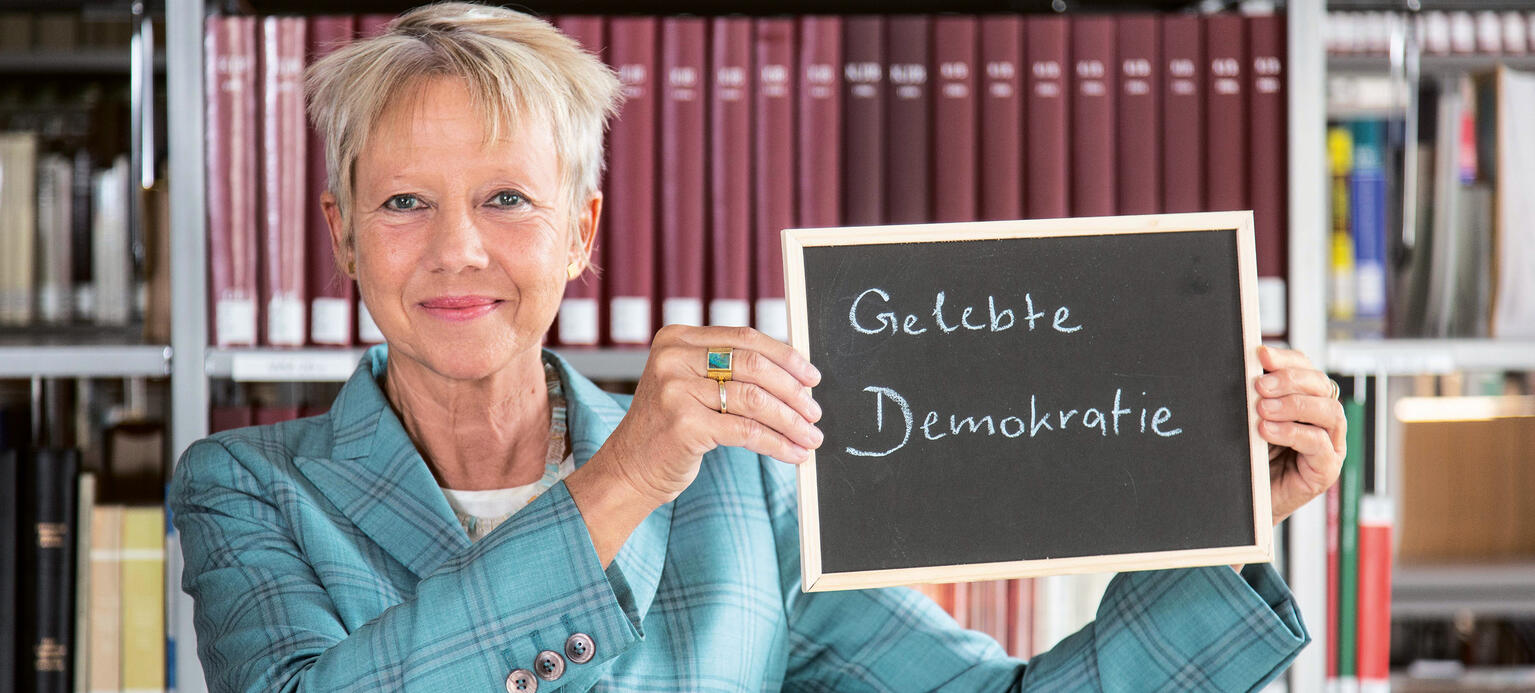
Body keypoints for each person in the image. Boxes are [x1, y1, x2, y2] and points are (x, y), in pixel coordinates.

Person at [170, 4, 1347, 691]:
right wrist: (623, 476)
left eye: (508, 202)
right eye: (403, 204)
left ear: (582, 232)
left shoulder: (740, 491)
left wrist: (1219, 509)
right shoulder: (245, 489)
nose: (457, 253)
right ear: (341, 235)